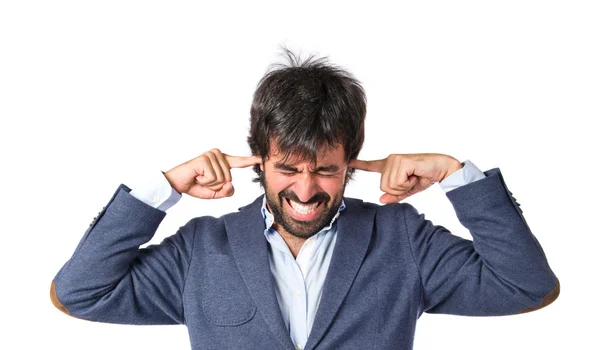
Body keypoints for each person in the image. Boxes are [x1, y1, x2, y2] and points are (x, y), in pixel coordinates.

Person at [50, 51, 559, 350]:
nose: (306, 190)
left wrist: (456, 176)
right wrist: (163, 189)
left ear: (351, 163)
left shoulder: (402, 237)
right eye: (288, 168)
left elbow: (527, 287)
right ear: (259, 161)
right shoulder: (200, 250)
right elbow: (80, 294)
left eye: (326, 170)